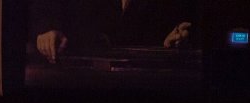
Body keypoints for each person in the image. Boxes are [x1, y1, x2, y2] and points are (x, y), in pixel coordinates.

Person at [29, 0, 198, 63]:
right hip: (75, 81)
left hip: (145, 86)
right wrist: (48, 28)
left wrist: (173, 36)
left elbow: (182, 22)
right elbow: (45, 11)